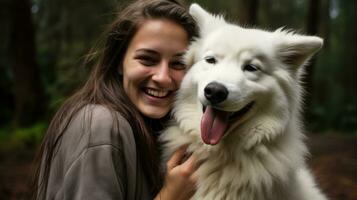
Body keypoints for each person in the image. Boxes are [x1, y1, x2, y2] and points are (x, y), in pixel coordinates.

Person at [32, 0, 199, 199]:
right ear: (120, 61)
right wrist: (171, 195)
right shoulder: (100, 126)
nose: (163, 77)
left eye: (178, 63)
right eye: (147, 59)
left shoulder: (152, 126)